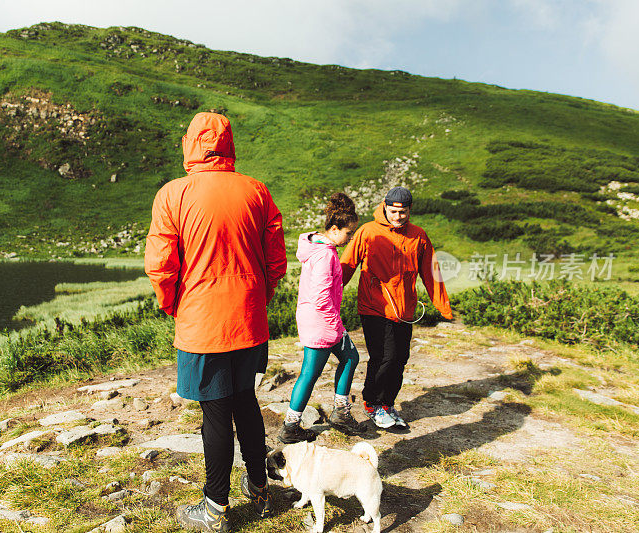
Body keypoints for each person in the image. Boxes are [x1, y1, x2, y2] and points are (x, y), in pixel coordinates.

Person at [145, 112, 287, 532]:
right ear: (228, 144)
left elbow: (160, 265)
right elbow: (275, 262)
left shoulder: (174, 194)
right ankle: (260, 488)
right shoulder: (256, 191)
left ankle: (214, 508)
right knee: (246, 402)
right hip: (248, 319)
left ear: (190, 143)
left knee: (215, 414)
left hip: (202, 321)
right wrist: (258, 299)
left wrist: (173, 305)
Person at [340, 186, 452, 430]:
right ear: (385, 207)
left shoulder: (419, 236)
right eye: (393, 211)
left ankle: (387, 403)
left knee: (400, 358)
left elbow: (431, 273)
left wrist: (444, 307)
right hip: (374, 306)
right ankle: (372, 403)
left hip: (405, 309)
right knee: (384, 357)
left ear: (409, 210)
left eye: (403, 212)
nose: (398, 216)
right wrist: (328, 297)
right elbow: (346, 265)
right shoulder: (367, 232)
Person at [278, 193, 363, 444]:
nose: (350, 239)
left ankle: (340, 412)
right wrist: (336, 325)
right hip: (322, 322)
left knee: (350, 357)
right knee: (310, 372)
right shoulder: (325, 255)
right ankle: (291, 426)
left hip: (317, 319)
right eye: (348, 234)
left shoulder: (317, 246)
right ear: (334, 229)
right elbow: (320, 296)